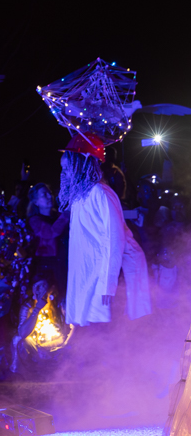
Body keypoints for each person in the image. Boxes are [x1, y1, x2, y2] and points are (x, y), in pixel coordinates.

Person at [58, 133, 151, 326]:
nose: (64, 173)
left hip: (106, 284)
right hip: (90, 280)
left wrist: (107, 285)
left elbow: (114, 240)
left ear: (83, 164)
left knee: (110, 341)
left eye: (68, 167)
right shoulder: (79, 197)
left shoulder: (101, 193)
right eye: (63, 168)